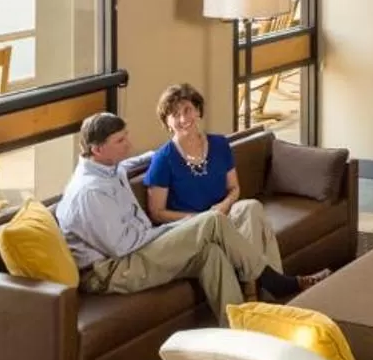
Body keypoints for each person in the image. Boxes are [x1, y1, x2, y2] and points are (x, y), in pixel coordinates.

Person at [56, 112, 293, 323]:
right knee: (212, 221)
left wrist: (158, 155)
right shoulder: (90, 192)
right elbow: (122, 246)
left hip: (135, 250)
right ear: (97, 150)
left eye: (126, 136)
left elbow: (131, 163)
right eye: (120, 141)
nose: (129, 144)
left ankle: (239, 331)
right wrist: (174, 228)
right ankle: (273, 281)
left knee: (211, 254)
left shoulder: (108, 167)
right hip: (112, 270)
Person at [142, 83, 327, 298]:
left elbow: (234, 188)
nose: (183, 119)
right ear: (167, 122)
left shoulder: (219, 144)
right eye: (175, 114)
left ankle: (259, 289)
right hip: (192, 228)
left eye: (187, 110)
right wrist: (201, 218)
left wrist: (223, 206)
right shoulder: (163, 159)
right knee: (239, 228)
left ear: (198, 111)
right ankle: (271, 289)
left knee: (251, 208)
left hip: (223, 215)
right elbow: (157, 212)